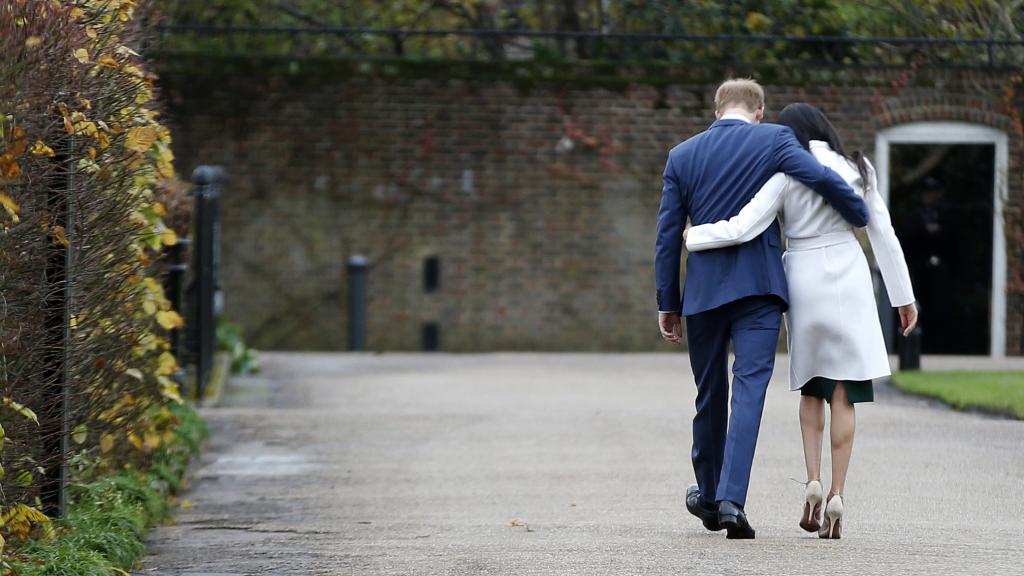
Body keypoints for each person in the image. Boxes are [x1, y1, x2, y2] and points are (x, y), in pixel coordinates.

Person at [684, 103, 918, 539]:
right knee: (844, 390)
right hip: (848, 271)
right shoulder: (857, 166)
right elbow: (882, 232)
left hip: (804, 277)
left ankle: (811, 480)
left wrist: (695, 236)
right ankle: (837, 493)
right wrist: (903, 298)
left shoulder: (785, 171)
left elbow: (742, 226)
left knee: (813, 386)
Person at [655, 80, 869, 540]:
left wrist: (667, 303)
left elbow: (667, 235)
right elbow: (818, 177)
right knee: (749, 390)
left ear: (716, 112)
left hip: (704, 294)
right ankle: (733, 501)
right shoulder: (774, 139)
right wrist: (857, 208)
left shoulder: (682, 155)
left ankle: (708, 495)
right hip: (759, 290)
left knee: (709, 392)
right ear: (759, 111)